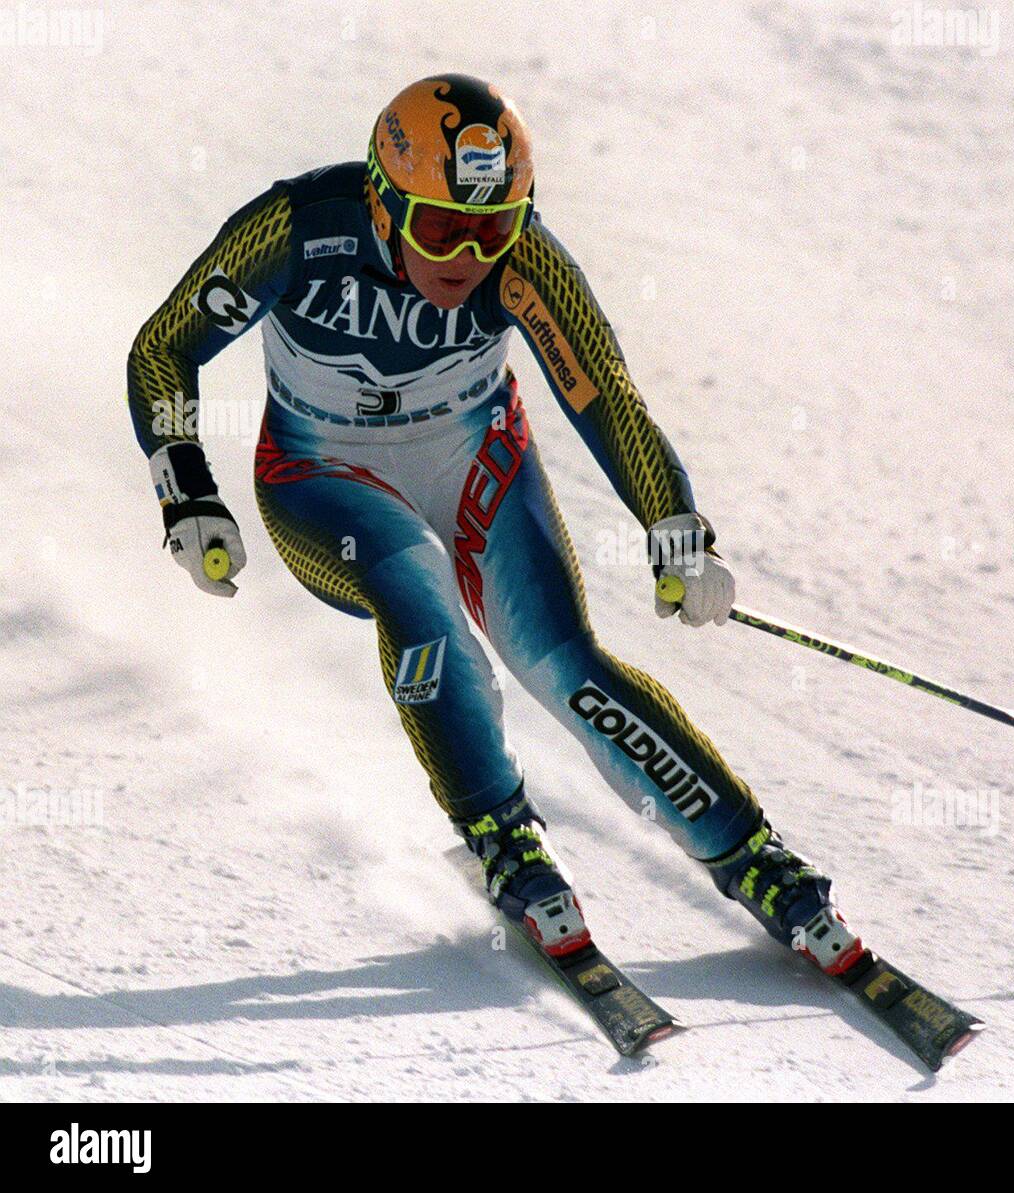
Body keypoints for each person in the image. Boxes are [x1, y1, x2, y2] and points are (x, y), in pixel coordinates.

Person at [127, 73, 865, 973]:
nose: (468, 254)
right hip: (320, 475)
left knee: (561, 659)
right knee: (418, 586)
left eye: (493, 227)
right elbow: (166, 344)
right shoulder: (297, 228)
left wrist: (675, 522)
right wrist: (188, 492)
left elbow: (605, 397)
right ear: (383, 199)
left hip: (475, 454)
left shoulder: (523, 261)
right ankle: (499, 831)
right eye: (442, 226)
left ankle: (746, 848)